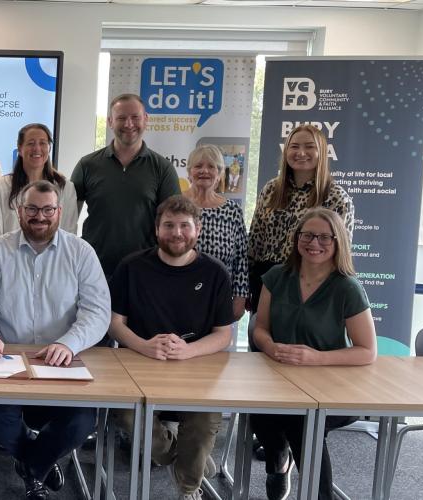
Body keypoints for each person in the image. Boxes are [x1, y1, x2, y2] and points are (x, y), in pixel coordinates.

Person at [0, 180, 110, 500]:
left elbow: (98, 311)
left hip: (63, 362)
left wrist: (68, 343)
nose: (39, 216)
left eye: (47, 209)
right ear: (20, 211)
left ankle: (34, 465)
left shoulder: (80, 252)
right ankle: (42, 460)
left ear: (59, 212)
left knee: (82, 420)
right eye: (32, 209)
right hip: (8, 363)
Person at [107, 195, 234, 500]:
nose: (176, 233)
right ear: (156, 230)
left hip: (196, 368)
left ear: (198, 229)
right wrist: (143, 346)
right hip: (141, 364)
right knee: (126, 415)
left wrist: (189, 351)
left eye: (184, 226)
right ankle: (185, 456)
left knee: (204, 422)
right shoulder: (132, 267)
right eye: (169, 225)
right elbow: (114, 322)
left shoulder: (215, 273)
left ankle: (189, 489)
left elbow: (224, 334)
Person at [249, 208, 376, 500]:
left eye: (323, 237)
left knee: (303, 420)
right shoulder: (277, 277)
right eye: (307, 235)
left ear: (338, 242)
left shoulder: (347, 287)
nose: (314, 243)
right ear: (296, 239)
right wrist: (270, 347)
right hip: (279, 377)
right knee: (260, 412)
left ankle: (317, 493)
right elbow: (260, 329)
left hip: (331, 385)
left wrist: (316, 358)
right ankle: (279, 461)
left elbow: (367, 351)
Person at [247, 124, 354, 312]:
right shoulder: (271, 190)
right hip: (267, 282)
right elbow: (255, 241)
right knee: (261, 339)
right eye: (294, 146)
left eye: (309, 146)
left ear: (322, 152)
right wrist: (245, 285)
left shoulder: (336, 197)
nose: (301, 152)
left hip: (312, 282)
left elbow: (341, 251)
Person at [71, 93, 180, 277]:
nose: (129, 124)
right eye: (121, 118)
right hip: (93, 269)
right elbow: (66, 216)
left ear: (145, 120)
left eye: (135, 117)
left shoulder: (163, 168)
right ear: (110, 122)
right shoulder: (87, 165)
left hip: (145, 271)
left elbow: (173, 223)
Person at [0, 123, 76, 253]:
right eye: (30, 143)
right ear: (19, 149)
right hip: (9, 266)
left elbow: (69, 237)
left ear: (49, 148)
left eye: (43, 143)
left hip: (53, 268)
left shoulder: (66, 188)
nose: (37, 148)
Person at [182, 145, 249, 321]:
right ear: (189, 172)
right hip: (178, 293)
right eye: (198, 166)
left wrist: (240, 298)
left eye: (212, 167)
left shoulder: (232, 210)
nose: (204, 171)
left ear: (220, 174)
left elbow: (241, 258)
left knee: (216, 347)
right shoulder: (175, 205)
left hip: (220, 296)